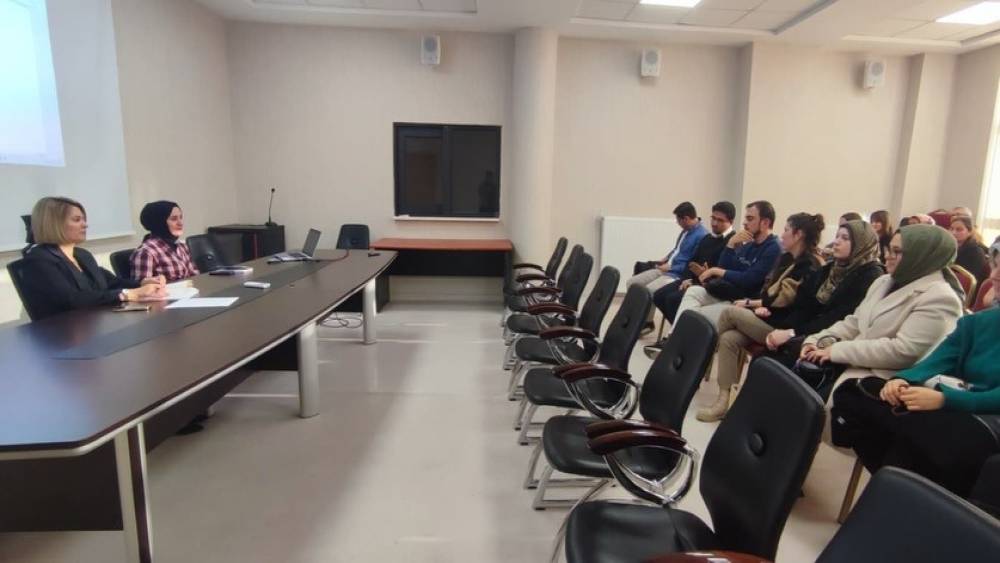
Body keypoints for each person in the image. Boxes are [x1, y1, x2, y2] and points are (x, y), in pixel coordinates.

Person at [831, 307, 1000, 497]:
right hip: (953, 406)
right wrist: (903, 380)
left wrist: (945, 399)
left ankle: (896, 495)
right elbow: (938, 360)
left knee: (927, 440)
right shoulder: (977, 322)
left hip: (986, 421)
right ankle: (895, 491)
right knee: (855, 392)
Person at [799, 224, 965, 406]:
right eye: (888, 249)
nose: (887, 256)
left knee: (807, 405)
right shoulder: (884, 281)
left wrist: (837, 351)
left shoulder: (940, 298)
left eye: (897, 252)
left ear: (921, 256)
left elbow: (903, 351)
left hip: (887, 383)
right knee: (794, 387)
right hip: (853, 364)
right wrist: (817, 340)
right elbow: (854, 323)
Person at [695, 212, 827, 421]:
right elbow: (770, 296)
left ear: (798, 234)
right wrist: (763, 304)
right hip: (771, 317)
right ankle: (724, 401)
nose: (782, 234)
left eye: (786, 229)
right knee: (729, 338)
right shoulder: (788, 259)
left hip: (785, 329)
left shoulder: (808, 266)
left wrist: (759, 304)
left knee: (729, 313)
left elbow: (781, 300)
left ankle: (698, 365)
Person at [19, 197, 167, 320]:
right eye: (77, 220)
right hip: (63, 333)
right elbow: (72, 300)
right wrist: (127, 295)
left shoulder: (82, 254)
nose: (85, 225)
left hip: (93, 322)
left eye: (84, 219)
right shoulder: (37, 260)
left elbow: (111, 282)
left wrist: (142, 283)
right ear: (54, 223)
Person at [643, 201, 736, 356]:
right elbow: (692, 262)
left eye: (720, 220)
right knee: (659, 295)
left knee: (673, 299)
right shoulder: (707, 238)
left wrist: (698, 280)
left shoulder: (732, 242)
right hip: (693, 280)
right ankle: (684, 334)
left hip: (711, 286)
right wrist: (687, 279)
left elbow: (723, 270)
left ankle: (680, 340)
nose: (714, 223)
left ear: (731, 221)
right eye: (713, 218)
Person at [670, 200, 782, 327]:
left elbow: (749, 280)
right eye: (745, 218)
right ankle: (674, 335)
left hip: (744, 301)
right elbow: (725, 267)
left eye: (750, 219)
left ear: (765, 222)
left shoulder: (773, 248)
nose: (744, 223)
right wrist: (730, 245)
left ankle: (682, 335)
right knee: (694, 291)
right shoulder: (749, 244)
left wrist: (715, 271)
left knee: (695, 316)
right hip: (728, 294)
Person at [628, 201, 708, 331]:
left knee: (649, 290)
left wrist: (671, 268)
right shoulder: (686, 230)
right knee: (632, 283)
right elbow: (677, 250)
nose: (677, 223)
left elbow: (692, 264)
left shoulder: (702, 236)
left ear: (686, 219)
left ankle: (647, 323)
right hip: (667, 267)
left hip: (676, 273)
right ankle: (634, 318)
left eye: (678, 220)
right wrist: (666, 258)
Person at [130, 200, 199, 282]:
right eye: (174, 219)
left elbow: (195, 276)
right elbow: (143, 287)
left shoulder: (182, 246)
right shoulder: (146, 252)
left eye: (181, 217)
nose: (180, 223)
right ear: (159, 222)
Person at [949, 215, 991, 286]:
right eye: (951, 229)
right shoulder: (949, 247)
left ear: (969, 232)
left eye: (959, 229)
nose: (953, 232)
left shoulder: (976, 252)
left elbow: (969, 280)